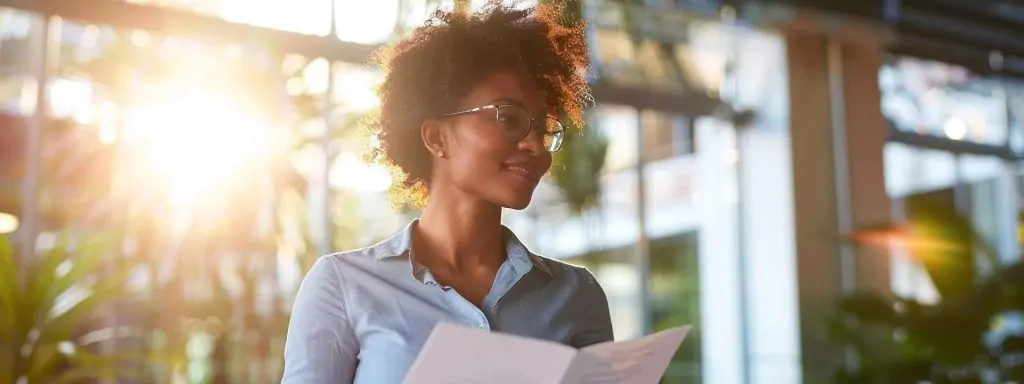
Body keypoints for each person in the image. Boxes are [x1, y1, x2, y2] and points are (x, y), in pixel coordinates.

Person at [281, 1, 613, 382]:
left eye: (542, 129)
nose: (536, 148)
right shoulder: (342, 286)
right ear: (437, 137)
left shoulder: (576, 295)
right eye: (509, 118)